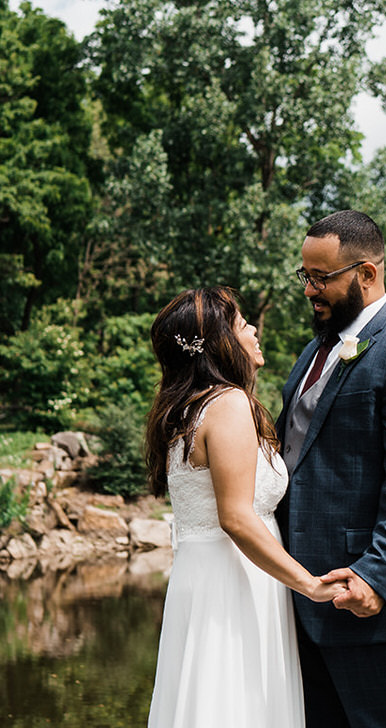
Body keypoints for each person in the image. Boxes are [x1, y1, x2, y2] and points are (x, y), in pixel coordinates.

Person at [277, 210, 386, 727]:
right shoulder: (316, 348)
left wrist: (374, 577)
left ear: (367, 274)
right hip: (307, 593)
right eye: (304, 276)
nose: (309, 290)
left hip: (367, 598)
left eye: (321, 277)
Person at [144, 286, 340, 728]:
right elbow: (235, 517)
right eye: (242, 323)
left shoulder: (186, 409)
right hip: (234, 581)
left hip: (206, 577)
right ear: (220, 342)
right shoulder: (228, 405)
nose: (253, 329)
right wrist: (309, 585)